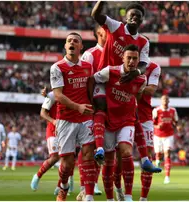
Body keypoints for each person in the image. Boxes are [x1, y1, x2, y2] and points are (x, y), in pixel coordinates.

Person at [91, 1, 160, 175]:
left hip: (123, 84)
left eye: (138, 15)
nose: (135, 17)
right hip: (105, 78)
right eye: (132, 14)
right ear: (126, 16)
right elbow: (95, 15)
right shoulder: (116, 26)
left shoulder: (143, 41)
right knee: (100, 107)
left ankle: (144, 159)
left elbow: (144, 63)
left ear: (142, 20)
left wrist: (136, 71)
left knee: (132, 115)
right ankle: (98, 150)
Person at [90, 44, 146, 201]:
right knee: (108, 161)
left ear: (138, 60)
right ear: (123, 58)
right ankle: (109, 198)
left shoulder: (142, 79)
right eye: (129, 58)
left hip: (126, 120)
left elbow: (139, 96)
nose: (132, 61)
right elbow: (92, 79)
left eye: (135, 58)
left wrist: (129, 105)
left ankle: (128, 196)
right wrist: (93, 101)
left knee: (126, 152)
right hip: (108, 119)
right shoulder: (110, 71)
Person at [50, 32, 96, 201]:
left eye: (76, 41)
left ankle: (87, 192)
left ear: (80, 47)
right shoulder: (57, 67)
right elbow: (58, 95)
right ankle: (63, 186)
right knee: (68, 164)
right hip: (66, 118)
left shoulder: (87, 67)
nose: (72, 43)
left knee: (88, 154)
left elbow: (91, 90)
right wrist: (78, 107)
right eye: (69, 40)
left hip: (85, 118)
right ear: (65, 46)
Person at [114, 59, 161, 201]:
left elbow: (151, 89)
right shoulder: (122, 63)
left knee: (148, 155)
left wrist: (131, 85)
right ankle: (118, 189)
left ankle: (143, 198)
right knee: (120, 157)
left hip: (144, 116)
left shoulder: (153, 67)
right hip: (122, 114)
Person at [76, 24, 107, 200]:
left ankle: (92, 183)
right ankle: (85, 185)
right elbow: (87, 80)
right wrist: (89, 102)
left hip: (110, 105)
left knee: (103, 146)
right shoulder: (90, 54)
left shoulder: (115, 52)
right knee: (89, 145)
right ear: (98, 34)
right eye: (105, 31)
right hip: (93, 104)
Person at [30, 88, 63, 195]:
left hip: (66, 130)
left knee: (67, 160)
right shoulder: (52, 95)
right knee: (54, 158)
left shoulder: (72, 92)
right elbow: (43, 113)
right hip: (53, 130)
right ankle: (38, 176)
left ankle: (60, 186)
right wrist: (53, 121)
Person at [153, 95, 179, 184]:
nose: (165, 101)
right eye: (163, 99)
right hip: (157, 136)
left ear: (169, 101)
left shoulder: (173, 110)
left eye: (167, 99)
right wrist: (157, 126)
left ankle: (167, 176)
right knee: (158, 155)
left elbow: (175, 122)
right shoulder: (156, 110)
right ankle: (157, 161)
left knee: (167, 153)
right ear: (161, 101)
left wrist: (178, 126)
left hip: (169, 135)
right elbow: (152, 123)